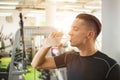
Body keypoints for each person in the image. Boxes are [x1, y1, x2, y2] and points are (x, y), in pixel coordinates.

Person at [31, 13, 120, 80]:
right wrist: (46, 46)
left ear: (89, 35)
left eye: (75, 29)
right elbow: (36, 64)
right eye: (71, 28)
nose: (70, 32)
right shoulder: (69, 57)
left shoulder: (110, 66)